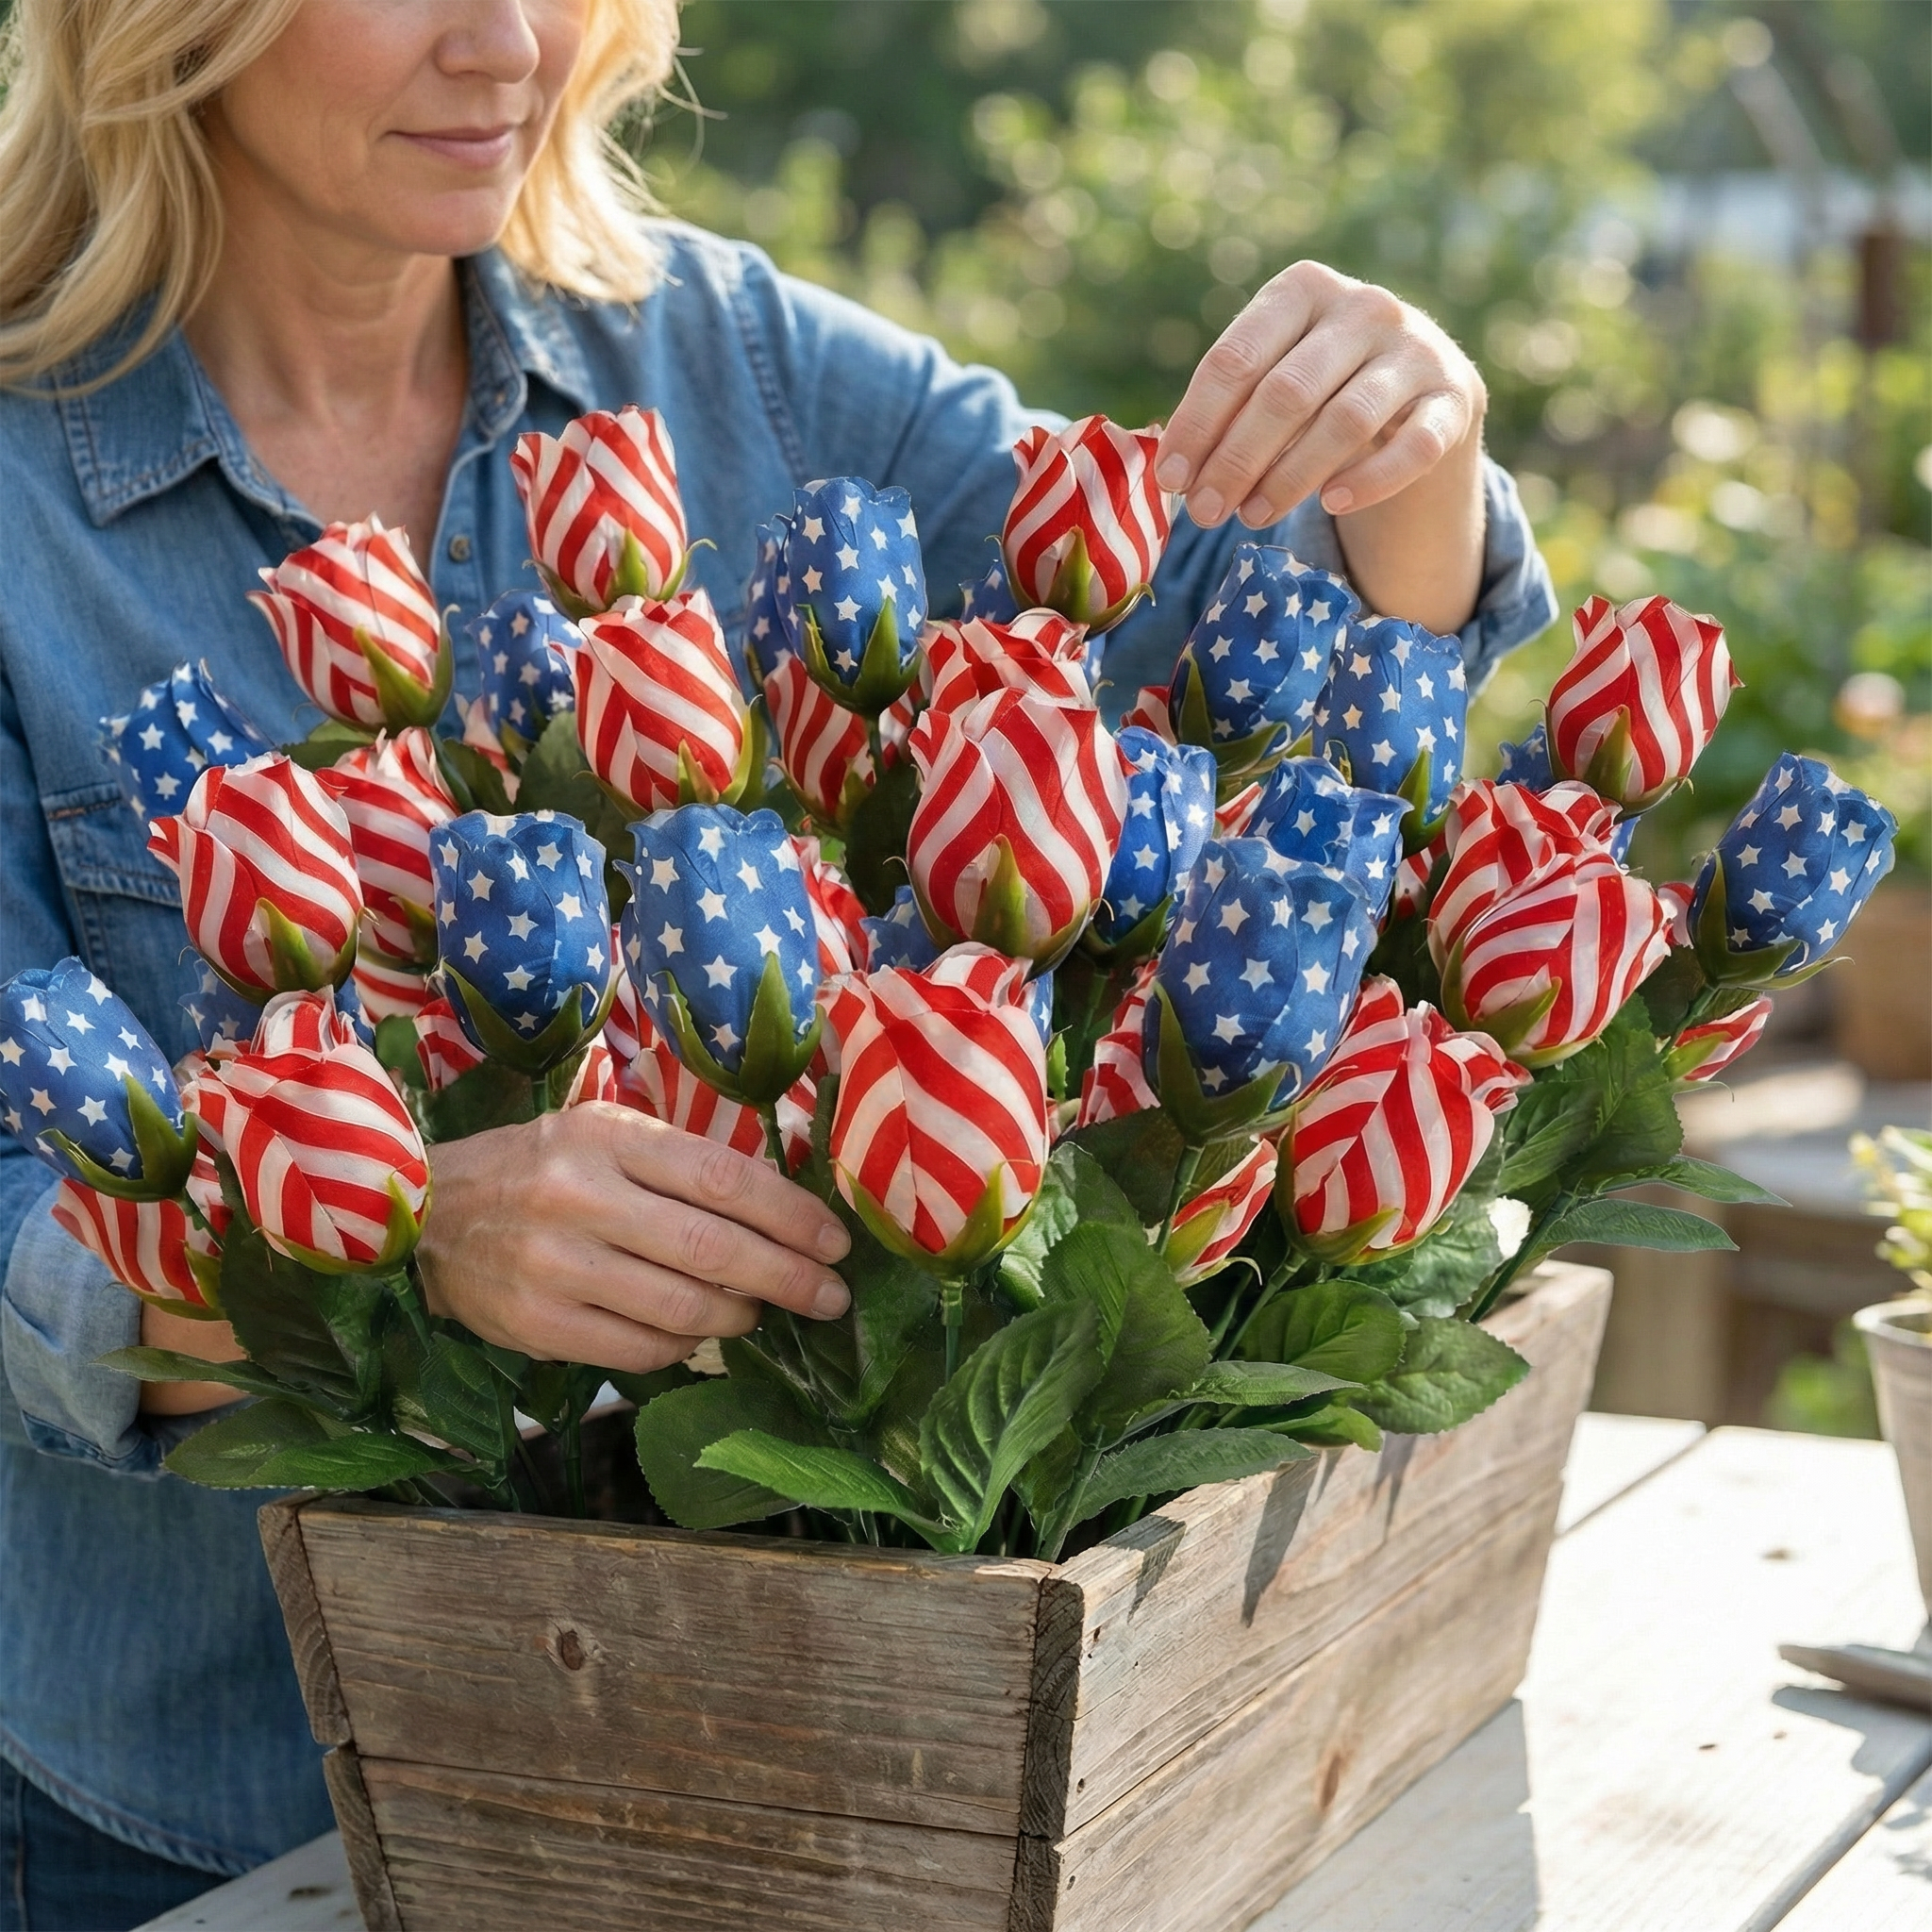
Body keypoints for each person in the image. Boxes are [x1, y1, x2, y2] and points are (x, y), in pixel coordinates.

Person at [0, 1, 1556, 1924]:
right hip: (186, 1804)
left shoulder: (726, 360)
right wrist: (388, 1244)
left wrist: (1409, 449)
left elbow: (1269, 673)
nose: (507, 43)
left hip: (776, 1767)